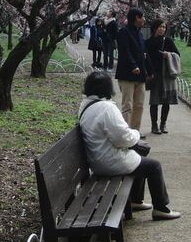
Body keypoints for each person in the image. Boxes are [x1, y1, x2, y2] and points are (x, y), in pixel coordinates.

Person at [78, 71, 181, 220]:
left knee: (139, 156)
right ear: (108, 88)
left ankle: (135, 200)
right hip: (108, 161)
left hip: (97, 159)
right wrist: (136, 135)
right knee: (154, 166)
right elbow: (123, 138)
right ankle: (161, 208)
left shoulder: (86, 105)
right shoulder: (107, 108)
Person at [115, 7, 147, 135]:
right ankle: (125, 132)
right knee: (127, 105)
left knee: (139, 105)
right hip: (128, 74)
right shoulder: (124, 32)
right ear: (136, 18)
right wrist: (133, 65)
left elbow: (142, 52)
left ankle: (135, 132)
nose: (144, 19)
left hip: (140, 75)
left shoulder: (139, 33)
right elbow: (124, 51)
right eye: (142, 17)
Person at [145, 19, 180, 134]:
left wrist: (168, 55)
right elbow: (145, 58)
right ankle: (154, 125)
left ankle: (163, 124)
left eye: (164, 27)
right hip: (155, 74)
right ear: (154, 28)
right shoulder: (148, 42)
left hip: (167, 75)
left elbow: (178, 55)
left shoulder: (168, 41)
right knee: (154, 101)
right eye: (160, 27)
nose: (162, 29)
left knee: (166, 101)